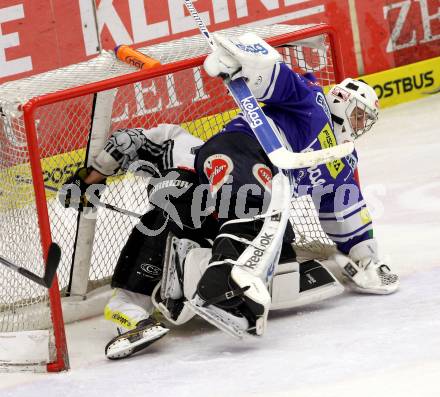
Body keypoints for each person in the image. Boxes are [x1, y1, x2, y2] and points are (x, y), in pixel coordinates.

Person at [61, 32, 399, 359]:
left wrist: (366, 257)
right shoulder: (311, 103)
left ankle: (222, 285)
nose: (358, 126)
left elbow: (346, 212)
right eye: (357, 114)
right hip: (218, 181)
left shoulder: (339, 162)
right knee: (181, 196)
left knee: (277, 224)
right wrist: (91, 179)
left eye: (364, 122)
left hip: (248, 201)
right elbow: (277, 78)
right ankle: (138, 307)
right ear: (341, 99)